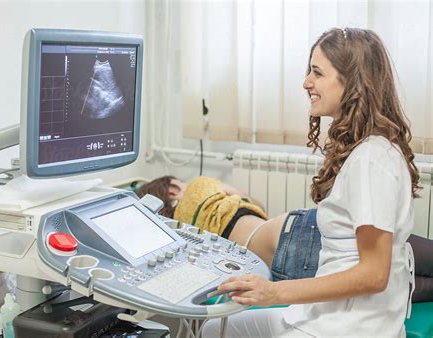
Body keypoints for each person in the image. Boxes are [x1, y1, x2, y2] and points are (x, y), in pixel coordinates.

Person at [140, 28, 427, 336]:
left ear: (352, 81)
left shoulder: (373, 158)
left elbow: (374, 275)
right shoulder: (366, 150)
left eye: (317, 73)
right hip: (328, 315)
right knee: (213, 330)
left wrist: (275, 292)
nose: (306, 82)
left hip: (348, 327)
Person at [135, 175, 433, 304]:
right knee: (407, 255)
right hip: (296, 230)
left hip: (280, 267)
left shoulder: (180, 235)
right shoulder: (200, 186)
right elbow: (256, 202)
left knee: (399, 285)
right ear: (173, 189)